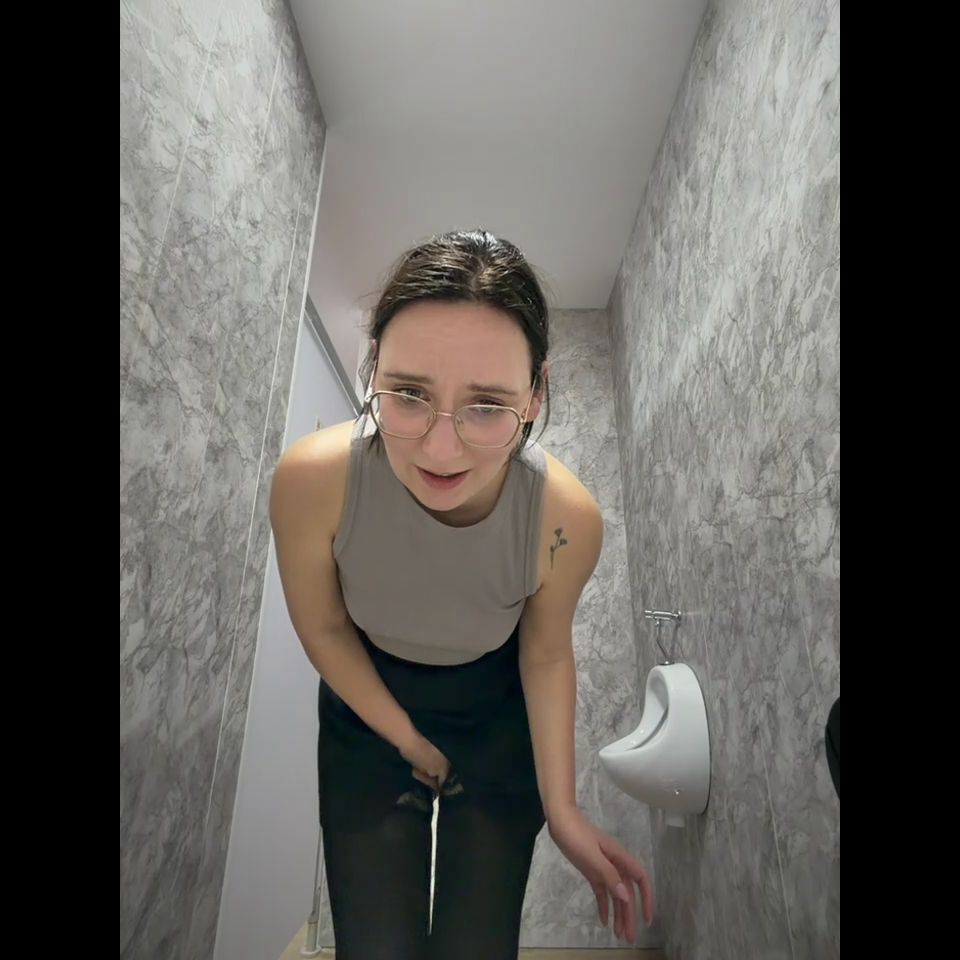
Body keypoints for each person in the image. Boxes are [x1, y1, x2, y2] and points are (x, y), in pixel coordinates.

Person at [270, 228, 654, 959]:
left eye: (488, 405)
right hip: (367, 709)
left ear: (535, 395)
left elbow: (545, 655)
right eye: (409, 394)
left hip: (495, 716)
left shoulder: (565, 521)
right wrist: (409, 740)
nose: (441, 448)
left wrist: (563, 809)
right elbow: (324, 628)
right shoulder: (313, 481)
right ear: (372, 368)